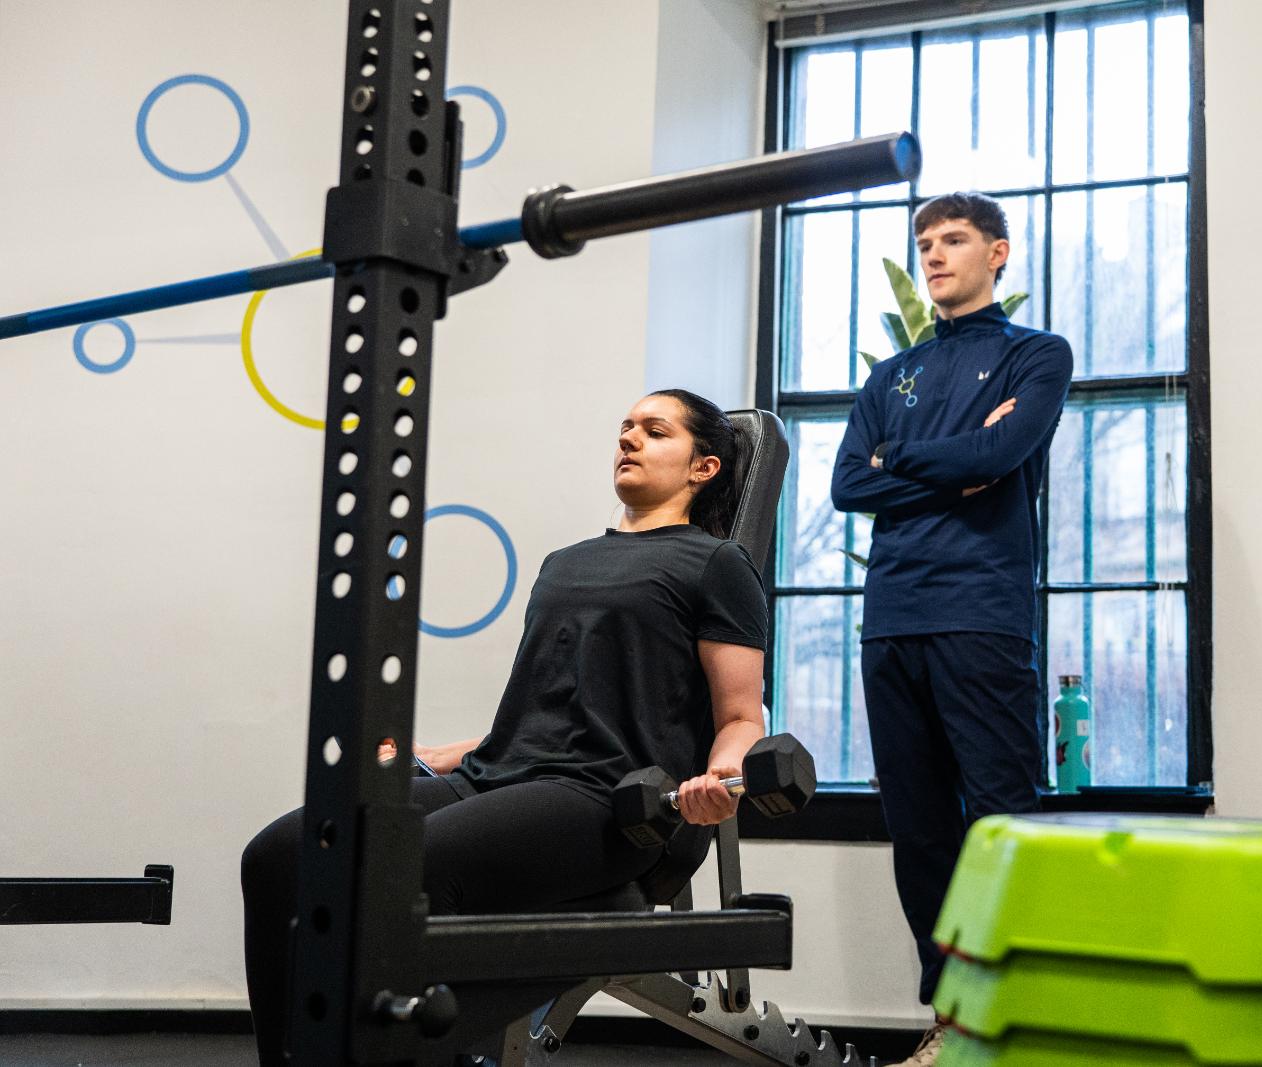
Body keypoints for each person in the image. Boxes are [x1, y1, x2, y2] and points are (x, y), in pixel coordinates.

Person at [240, 389, 768, 1065]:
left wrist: (720, 777)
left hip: (606, 798)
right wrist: (445, 753)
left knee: (415, 865)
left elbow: (740, 716)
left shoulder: (715, 564)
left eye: (655, 431)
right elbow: (547, 711)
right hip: (503, 774)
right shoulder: (565, 561)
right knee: (283, 851)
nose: (629, 438)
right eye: (625, 427)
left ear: (704, 467)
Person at [831, 192, 1074, 1065]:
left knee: (1002, 818)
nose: (934, 255)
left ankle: (1023, 1021)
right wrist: (949, 461)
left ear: (998, 254)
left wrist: (908, 460)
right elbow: (848, 486)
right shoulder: (888, 377)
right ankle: (953, 1022)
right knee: (921, 828)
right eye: (924, 243)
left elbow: (999, 458)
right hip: (891, 618)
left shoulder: (1036, 355)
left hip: (982, 612)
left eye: (955, 240)